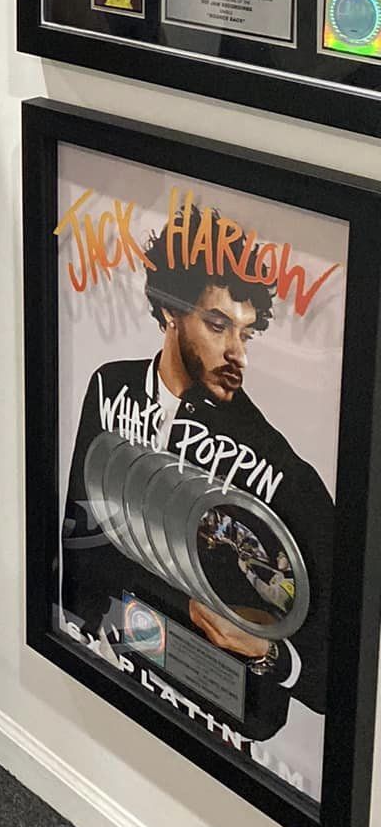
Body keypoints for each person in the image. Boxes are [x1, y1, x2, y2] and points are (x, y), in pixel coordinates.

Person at [62, 204, 332, 747]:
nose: (236, 354)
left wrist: (269, 654)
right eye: (217, 325)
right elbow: (79, 538)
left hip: (222, 719)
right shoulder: (111, 387)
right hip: (111, 660)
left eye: (246, 334)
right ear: (170, 311)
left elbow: (339, 658)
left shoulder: (274, 465)